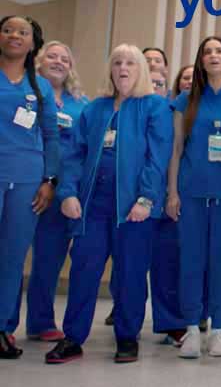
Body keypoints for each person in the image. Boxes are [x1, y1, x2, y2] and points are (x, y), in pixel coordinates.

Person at [44, 43, 172, 364]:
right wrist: (68, 193)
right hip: (93, 205)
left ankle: (127, 338)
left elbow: (157, 159)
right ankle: (73, 338)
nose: (123, 68)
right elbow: (74, 155)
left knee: (130, 273)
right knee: (84, 271)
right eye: (117, 62)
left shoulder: (154, 107)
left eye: (130, 62)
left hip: (134, 207)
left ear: (140, 69)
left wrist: (146, 198)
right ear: (111, 69)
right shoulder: (95, 109)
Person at [165, 36, 221, 359]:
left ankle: (217, 330)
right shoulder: (186, 101)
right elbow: (175, 149)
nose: (213, 56)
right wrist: (172, 192)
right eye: (207, 52)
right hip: (192, 192)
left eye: (220, 51)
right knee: (191, 261)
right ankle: (190, 329)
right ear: (201, 61)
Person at [0, 16, 59, 359]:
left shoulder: (41, 87)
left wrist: (50, 180)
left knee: (12, 258)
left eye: (22, 32)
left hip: (27, 181)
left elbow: (52, 136)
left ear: (32, 42)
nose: (14, 36)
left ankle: (4, 329)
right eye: (8, 30)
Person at [23, 42, 88, 343]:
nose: (59, 62)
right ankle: (5, 324)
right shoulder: (24, 93)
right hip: (25, 185)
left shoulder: (81, 105)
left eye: (65, 58)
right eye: (52, 56)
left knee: (48, 262)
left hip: (62, 193)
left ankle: (40, 322)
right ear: (39, 61)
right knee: (11, 260)